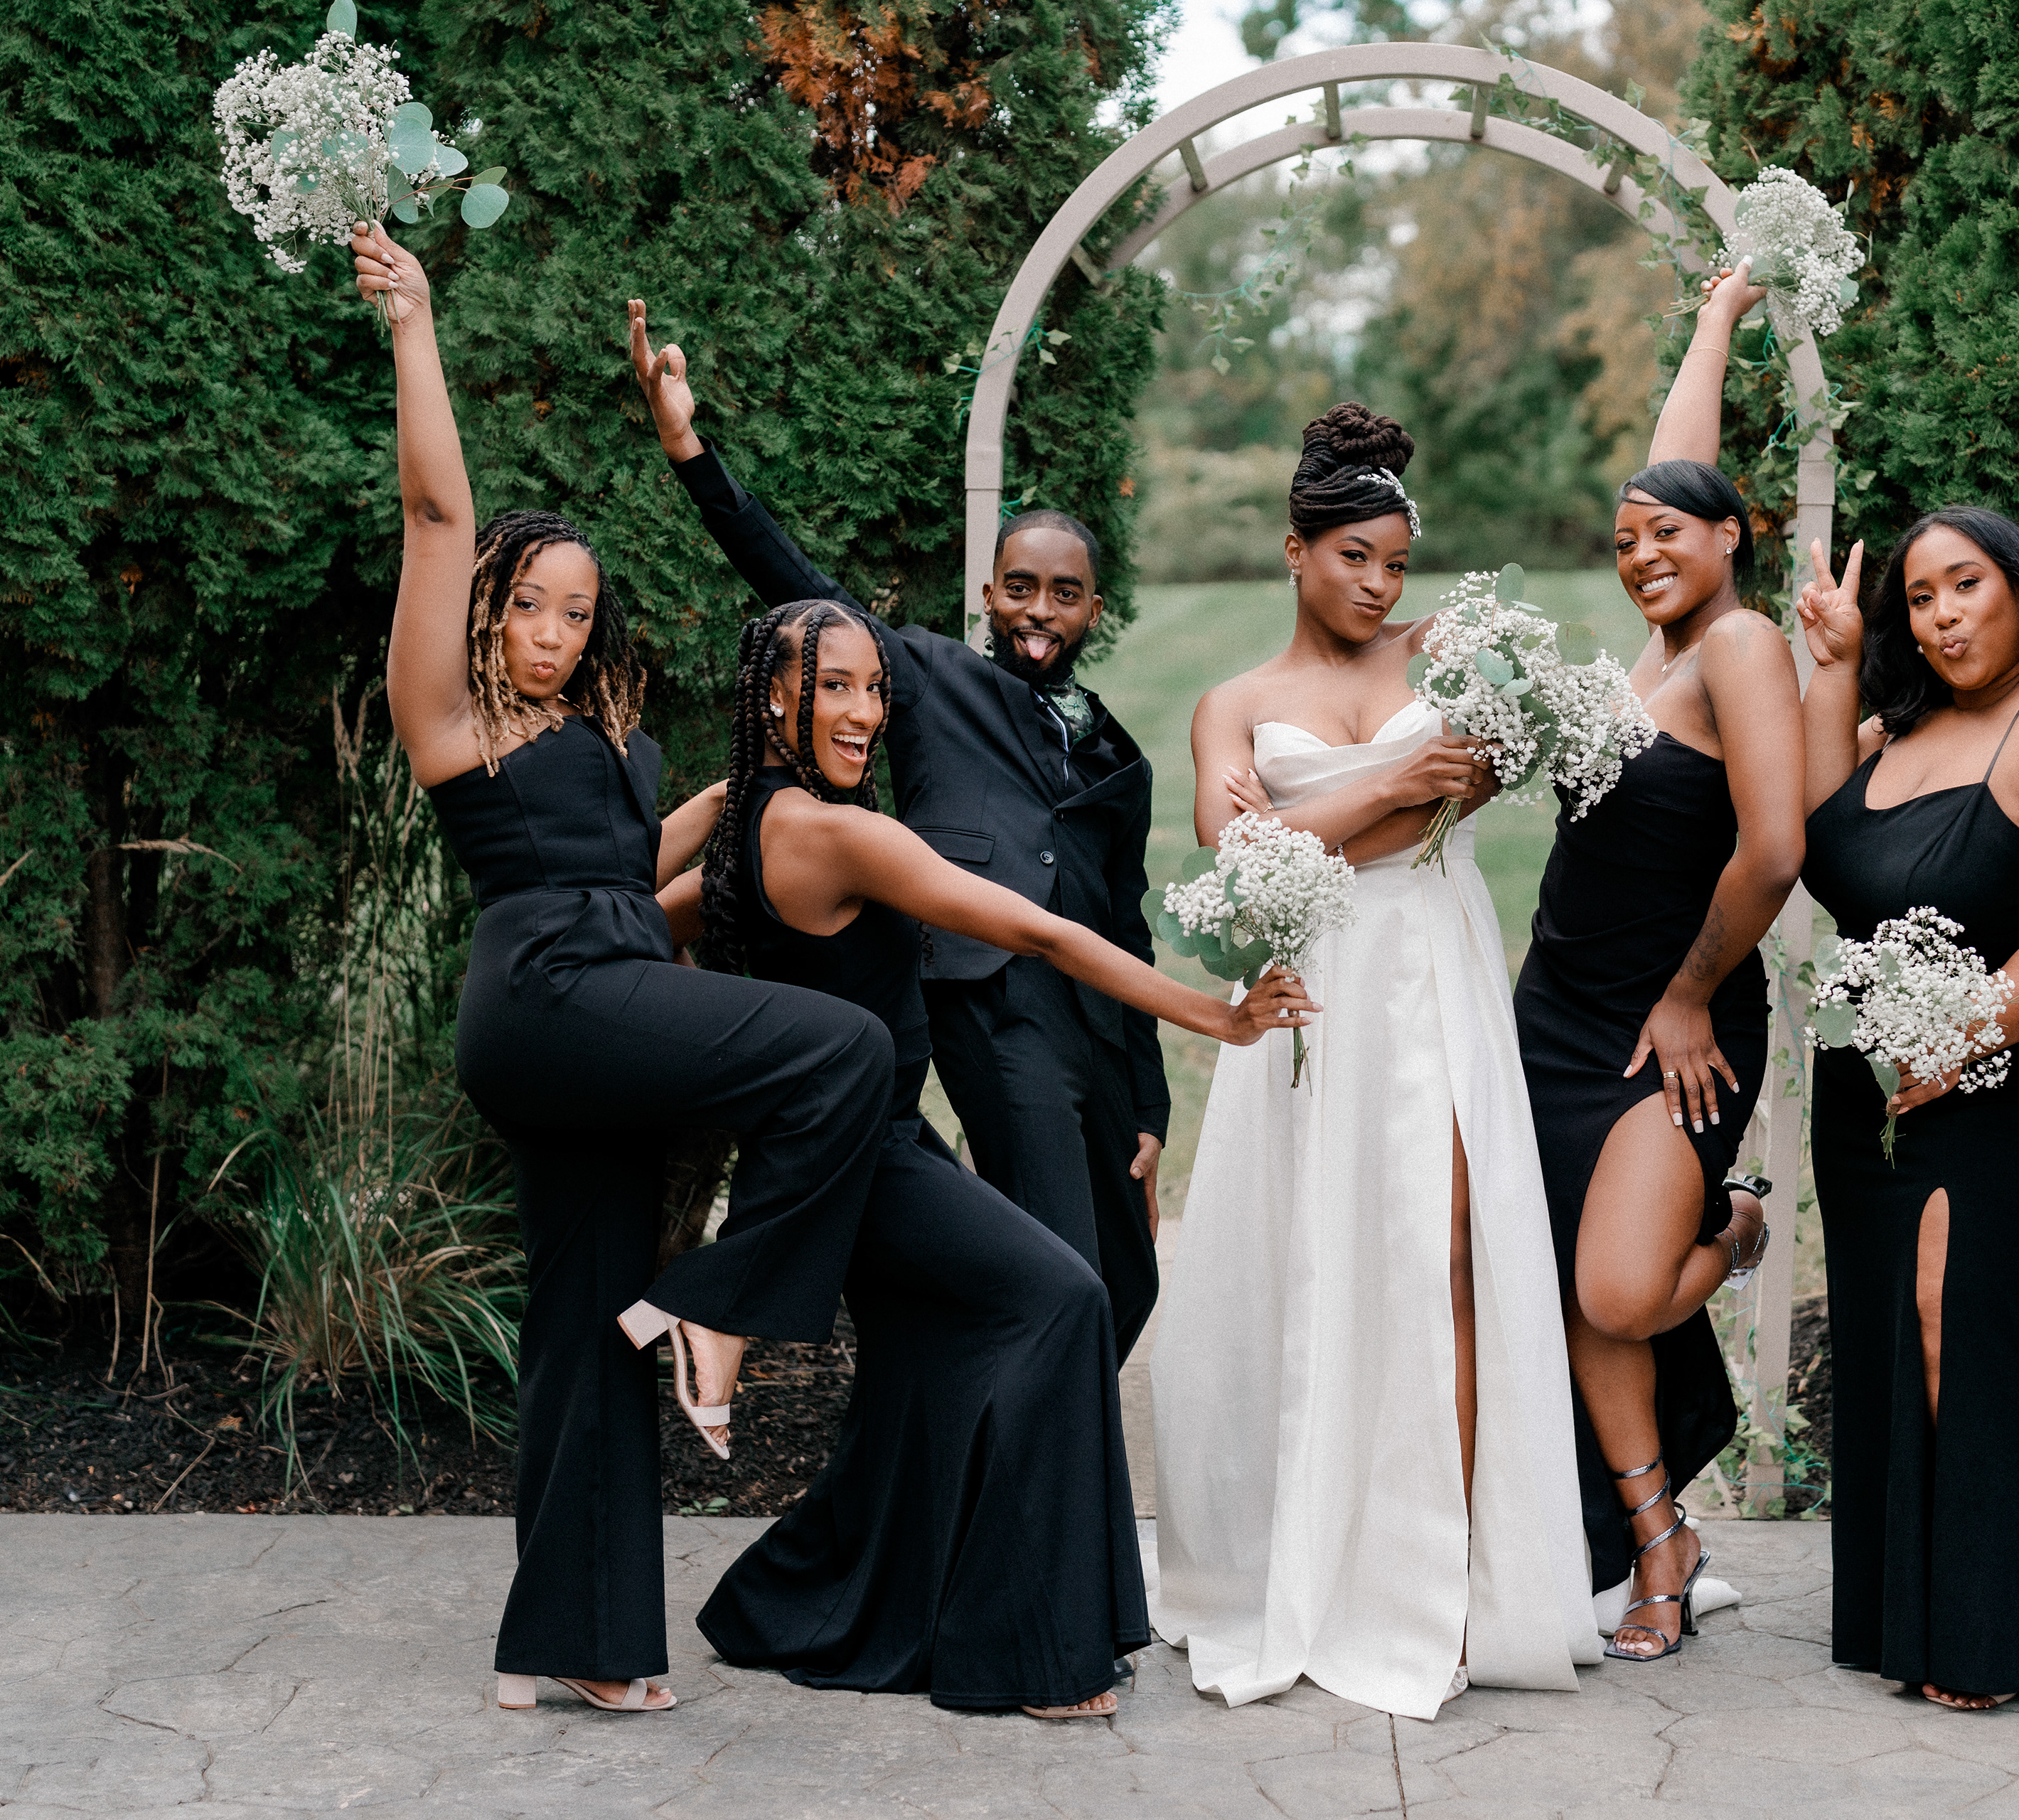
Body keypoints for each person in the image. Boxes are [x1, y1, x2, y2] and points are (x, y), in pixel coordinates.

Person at [350, 224, 892, 1718]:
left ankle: (573, 1641)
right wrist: (414, 322)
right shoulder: (452, 718)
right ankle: (720, 1302)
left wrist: (733, 798)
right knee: (839, 1053)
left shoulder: (600, 735)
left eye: (577, 610)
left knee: (586, 1321)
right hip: (545, 997)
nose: (553, 630)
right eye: (530, 602)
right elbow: (436, 510)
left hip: (606, 988)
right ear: (486, 606)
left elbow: (633, 879)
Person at [656, 599, 1312, 1719]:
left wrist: (722, 796)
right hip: (872, 1165)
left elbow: (634, 911)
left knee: (928, 1369)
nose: (867, 712)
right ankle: (1027, 1654)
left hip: (848, 1158)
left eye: (876, 688)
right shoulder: (842, 836)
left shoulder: (754, 826)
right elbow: (1038, 930)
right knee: (1063, 1301)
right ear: (775, 697)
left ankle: (788, 1600)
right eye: (835, 687)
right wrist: (1218, 1015)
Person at [1150, 403, 1600, 1720]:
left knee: (1449, 1254)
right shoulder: (1232, 705)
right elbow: (1238, 869)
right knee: (1314, 1257)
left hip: (1431, 974)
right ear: (1296, 550)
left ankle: (1446, 1582)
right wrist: (1400, 787)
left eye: (1396, 563)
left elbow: (1429, 809)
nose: (1379, 586)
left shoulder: (1455, 653)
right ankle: (1311, 1552)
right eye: (1354, 558)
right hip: (1309, 994)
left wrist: (1326, 820)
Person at [627, 304, 1171, 1357]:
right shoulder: (926, 678)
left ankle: (1002, 1435)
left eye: (1064, 595)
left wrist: (1148, 1099)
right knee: (1061, 1274)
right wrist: (690, 451)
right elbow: (797, 590)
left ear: (1094, 611)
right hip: (990, 1000)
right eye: (1021, 589)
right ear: (990, 595)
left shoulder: (1120, 758)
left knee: (1128, 1281)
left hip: (1095, 1019)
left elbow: (1127, 923)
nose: (1039, 611)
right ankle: (1046, 1458)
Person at [1792, 506, 2019, 1708]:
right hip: (1874, 1089)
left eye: (1966, 585)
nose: (1942, 616)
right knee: (1893, 1323)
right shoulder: (1901, 726)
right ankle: (1911, 1615)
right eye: (1920, 598)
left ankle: (1996, 1627)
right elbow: (1823, 840)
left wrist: (1960, 1034)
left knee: (1960, 1313)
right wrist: (1837, 667)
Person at [1513, 262, 1804, 1662]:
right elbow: (1673, 469)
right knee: (1566, 1283)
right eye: (1624, 540)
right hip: (1555, 1012)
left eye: (1667, 535)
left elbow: (1776, 847)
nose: (1640, 554)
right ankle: (1657, 1540)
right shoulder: (1657, 648)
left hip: (1675, 1024)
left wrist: (1690, 991)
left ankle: (1733, 1226)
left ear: (1732, 536)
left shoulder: (1738, 643)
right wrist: (1714, 320)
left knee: (1622, 1290)